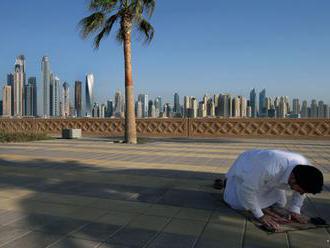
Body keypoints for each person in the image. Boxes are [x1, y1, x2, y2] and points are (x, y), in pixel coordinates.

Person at [223, 149, 324, 230]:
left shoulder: (305, 170)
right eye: (301, 190)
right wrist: (261, 216)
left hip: (267, 177)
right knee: (239, 204)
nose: (301, 193)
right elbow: (247, 190)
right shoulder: (269, 168)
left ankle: (261, 202)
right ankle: (228, 182)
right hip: (248, 166)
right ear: (293, 179)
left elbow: (301, 192)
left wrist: (295, 210)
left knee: (280, 203)